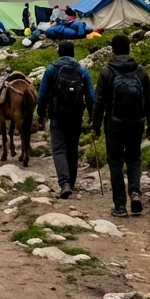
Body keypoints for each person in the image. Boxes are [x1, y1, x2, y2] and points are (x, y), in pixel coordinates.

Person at [92, 34, 150, 217]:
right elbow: (149, 100)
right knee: (134, 159)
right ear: (129, 49)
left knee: (115, 162)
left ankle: (120, 206)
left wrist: (95, 126)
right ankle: (135, 192)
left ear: (112, 50)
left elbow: (99, 102)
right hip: (136, 123)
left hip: (114, 125)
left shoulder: (107, 71)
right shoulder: (140, 71)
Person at [37, 41, 94, 197]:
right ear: (73, 53)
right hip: (76, 115)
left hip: (57, 115)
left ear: (59, 53)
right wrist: (92, 116)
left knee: (58, 148)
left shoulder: (51, 70)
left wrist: (41, 113)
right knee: (72, 148)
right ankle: (72, 183)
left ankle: (64, 183)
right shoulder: (81, 70)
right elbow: (90, 96)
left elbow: (42, 95)